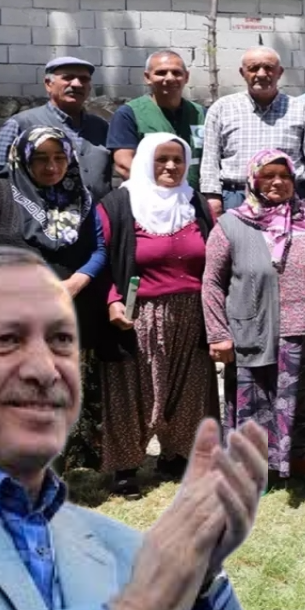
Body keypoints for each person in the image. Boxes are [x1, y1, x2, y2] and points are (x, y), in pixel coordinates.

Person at [0, 246, 263, 610]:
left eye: (60, 340)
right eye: (4, 340)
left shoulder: (121, 547)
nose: (46, 369)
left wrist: (199, 585)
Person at [0, 126, 108, 470]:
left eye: (59, 157)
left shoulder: (82, 197)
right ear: (22, 158)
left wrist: (77, 281)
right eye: (40, 158)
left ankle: (58, 469)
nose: (52, 167)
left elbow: (98, 249)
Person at [202, 149, 305, 491]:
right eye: (268, 176)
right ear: (253, 180)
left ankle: (301, 462)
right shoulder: (232, 224)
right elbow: (212, 282)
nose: (277, 182)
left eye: (285, 176)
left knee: (303, 405)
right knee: (257, 405)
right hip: (257, 332)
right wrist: (218, 333)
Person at [95, 133, 219, 498]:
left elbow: (215, 256)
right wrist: (112, 301)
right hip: (138, 313)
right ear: (144, 161)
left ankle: (176, 456)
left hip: (191, 312)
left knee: (187, 388)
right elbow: (99, 259)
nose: (170, 166)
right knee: (133, 390)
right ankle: (125, 467)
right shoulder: (119, 204)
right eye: (161, 159)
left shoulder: (195, 203)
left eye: (178, 160)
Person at [199, 46, 305, 217]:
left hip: (288, 198)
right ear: (242, 72)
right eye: (253, 68)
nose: (261, 74)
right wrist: (212, 197)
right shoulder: (222, 108)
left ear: (279, 72)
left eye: (268, 68)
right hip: (237, 197)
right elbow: (210, 158)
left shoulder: (301, 110)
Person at [0, 56, 114, 201]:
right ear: (48, 84)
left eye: (84, 79)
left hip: (97, 214)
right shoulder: (21, 124)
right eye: (68, 77)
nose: (77, 84)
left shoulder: (102, 127)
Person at [107, 50, 207, 188]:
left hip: (195, 197)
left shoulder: (201, 114)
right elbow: (124, 165)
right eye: (161, 73)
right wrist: (158, 194)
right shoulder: (129, 114)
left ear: (186, 77)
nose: (170, 78)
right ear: (147, 77)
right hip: (149, 198)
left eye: (176, 73)